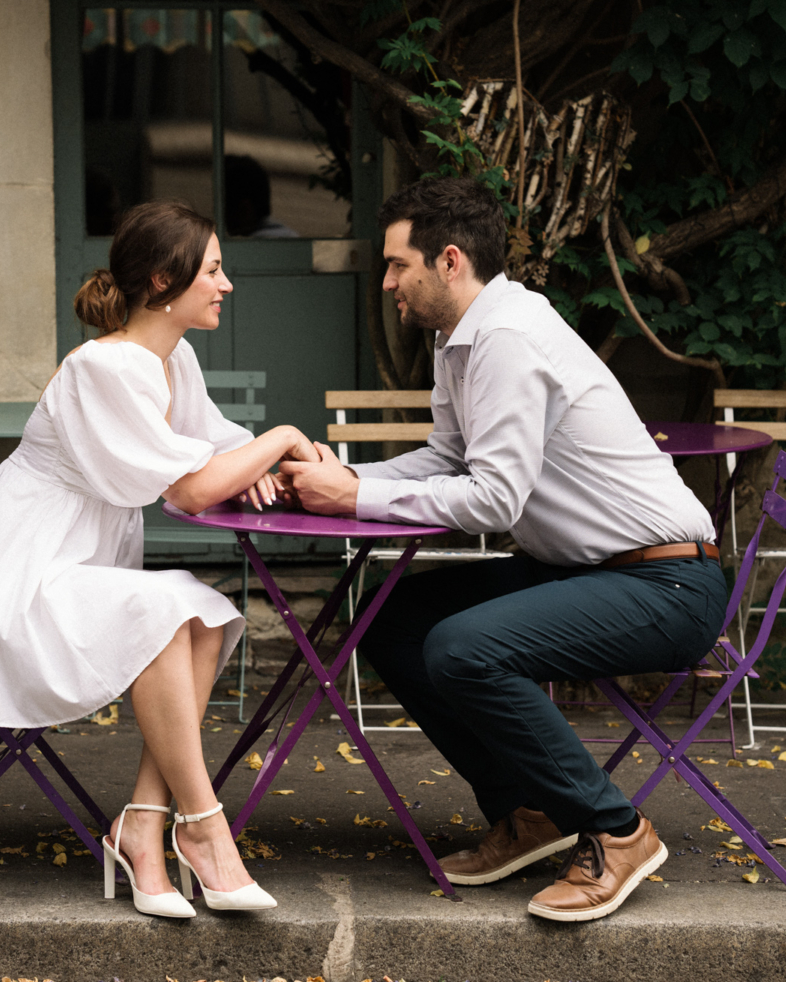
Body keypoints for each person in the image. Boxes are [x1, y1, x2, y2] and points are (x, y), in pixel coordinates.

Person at [280, 177, 726, 923]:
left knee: (462, 647)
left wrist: (354, 499)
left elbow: (493, 499)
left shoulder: (508, 340)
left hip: (666, 584)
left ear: (449, 261)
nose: (386, 281)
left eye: (398, 265)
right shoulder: (461, 341)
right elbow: (449, 457)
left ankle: (616, 832)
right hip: (585, 569)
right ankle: (532, 811)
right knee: (392, 619)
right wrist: (344, 477)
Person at [0, 200, 318, 919]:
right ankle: (204, 830)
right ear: (165, 280)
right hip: (17, 574)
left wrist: (260, 452)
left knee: (199, 610)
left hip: (74, 565)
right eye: (215, 271)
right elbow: (193, 487)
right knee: (168, 607)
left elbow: (214, 443)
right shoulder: (105, 367)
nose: (227, 285)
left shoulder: (172, 356)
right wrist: (283, 434)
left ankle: (142, 825)